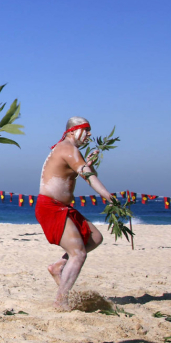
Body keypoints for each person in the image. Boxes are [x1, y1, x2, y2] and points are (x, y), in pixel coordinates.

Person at [35, 116, 113, 310]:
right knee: (78, 254)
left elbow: (84, 171)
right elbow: (87, 176)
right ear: (72, 131)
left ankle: (58, 267)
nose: (89, 134)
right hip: (51, 207)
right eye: (86, 130)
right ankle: (61, 302)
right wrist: (106, 194)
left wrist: (88, 165)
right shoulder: (67, 148)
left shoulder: (71, 151)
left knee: (95, 237)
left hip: (63, 208)